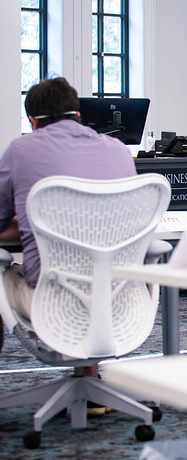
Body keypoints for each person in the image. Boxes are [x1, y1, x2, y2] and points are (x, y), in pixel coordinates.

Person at [0, 77, 137, 404]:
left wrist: (30, 221)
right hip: (119, 300)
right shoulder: (118, 149)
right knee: (92, 267)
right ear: (78, 113)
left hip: (51, 300)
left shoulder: (21, 150)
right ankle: (91, 385)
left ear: (33, 120)